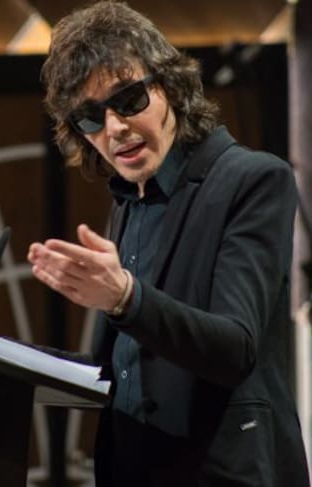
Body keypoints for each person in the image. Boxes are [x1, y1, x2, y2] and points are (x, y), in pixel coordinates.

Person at [27, 2, 310, 486]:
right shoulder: (128, 203)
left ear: (171, 87)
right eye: (90, 118)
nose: (115, 128)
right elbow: (118, 371)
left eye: (129, 100)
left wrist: (124, 298)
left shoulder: (253, 179)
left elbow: (234, 347)